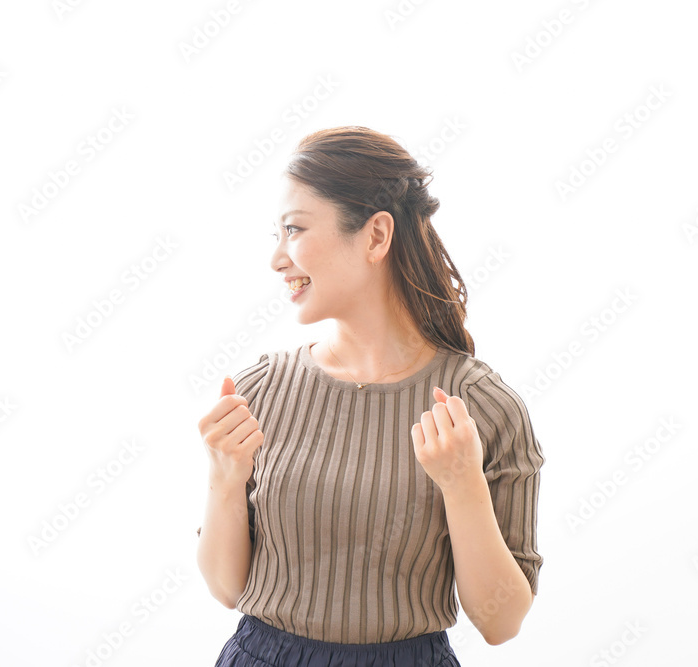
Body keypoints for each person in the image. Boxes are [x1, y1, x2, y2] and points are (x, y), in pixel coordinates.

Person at [196, 126, 545, 666]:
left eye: (294, 229)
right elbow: (226, 590)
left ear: (377, 236)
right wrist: (225, 477)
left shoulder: (481, 406)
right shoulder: (258, 391)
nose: (277, 259)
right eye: (276, 234)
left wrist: (462, 485)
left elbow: (501, 623)